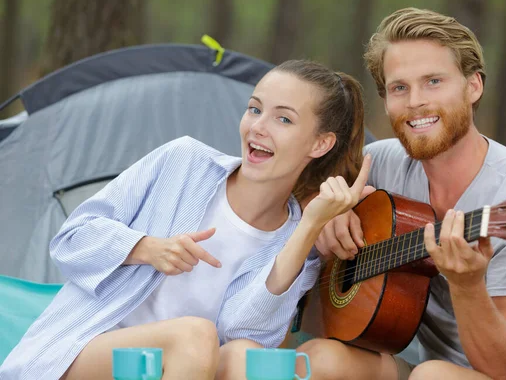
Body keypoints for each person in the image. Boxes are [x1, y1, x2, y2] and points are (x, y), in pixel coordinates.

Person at [0, 59, 370, 380]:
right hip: (80, 357)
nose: (258, 127)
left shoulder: (298, 244)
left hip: (187, 369)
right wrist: (144, 248)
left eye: (283, 119)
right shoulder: (183, 162)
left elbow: (247, 333)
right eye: (255, 109)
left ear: (320, 144)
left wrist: (307, 229)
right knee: (195, 335)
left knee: (242, 356)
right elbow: (70, 241)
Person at [297, 8, 506, 380]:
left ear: (473, 86)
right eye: (400, 87)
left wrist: (468, 286)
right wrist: (324, 214)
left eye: (433, 81)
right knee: (315, 360)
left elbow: (504, 366)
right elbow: (296, 192)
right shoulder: (381, 163)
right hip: (423, 367)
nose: (415, 101)